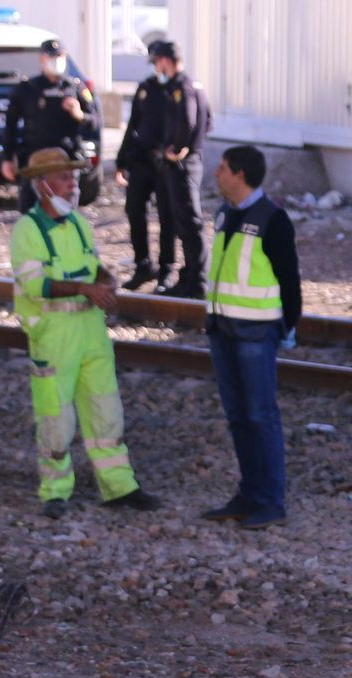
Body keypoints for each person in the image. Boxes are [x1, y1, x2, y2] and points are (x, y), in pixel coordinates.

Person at [8, 148, 162, 519]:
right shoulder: (26, 230)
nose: (72, 185)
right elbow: (36, 287)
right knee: (55, 418)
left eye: (73, 178)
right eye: (64, 178)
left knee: (105, 411)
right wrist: (85, 290)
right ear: (43, 185)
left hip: (91, 332)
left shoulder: (78, 223)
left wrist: (107, 283)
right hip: (54, 335)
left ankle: (119, 487)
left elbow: (94, 268)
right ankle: (55, 492)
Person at [200, 145, 302, 531]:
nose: (217, 174)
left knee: (260, 415)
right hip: (223, 330)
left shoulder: (273, 219)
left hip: (256, 332)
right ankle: (249, 494)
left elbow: (290, 282)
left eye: (223, 168)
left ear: (240, 174)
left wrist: (284, 326)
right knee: (238, 416)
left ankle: (270, 500)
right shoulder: (226, 213)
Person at [1, 39, 99, 213]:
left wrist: (79, 115)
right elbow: (10, 125)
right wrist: (8, 158)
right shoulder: (27, 89)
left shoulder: (76, 88)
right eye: (52, 57)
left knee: (65, 215)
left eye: (60, 56)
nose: (56, 61)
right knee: (30, 215)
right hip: (34, 162)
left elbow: (94, 122)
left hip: (66, 162)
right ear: (42, 59)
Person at [114, 41, 178, 291]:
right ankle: (143, 266)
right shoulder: (146, 88)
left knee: (166, 217)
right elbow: (133, 126)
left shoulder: (180, 88)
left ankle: (166, 270)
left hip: (166, 163)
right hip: (142, 160)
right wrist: (121, 161)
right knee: (134, 211)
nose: (156, 69)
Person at [150, 41, 211, 299]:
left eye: (156, 62)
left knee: (189, 223)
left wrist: (177, 148)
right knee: (184, 222)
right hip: (190, 159)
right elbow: (208, 121)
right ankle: (190, 277)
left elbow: (189, 120)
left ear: (165, 60)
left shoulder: (181, 87)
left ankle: (196, 281)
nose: (156, 68)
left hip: (182, 164)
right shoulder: (195, 84)